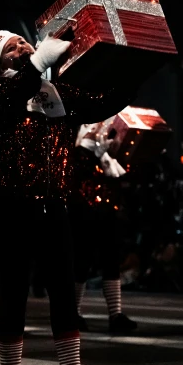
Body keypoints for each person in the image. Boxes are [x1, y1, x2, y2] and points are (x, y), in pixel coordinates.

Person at [0, 29, 135, 365]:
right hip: (10, 208)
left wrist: (132, 73)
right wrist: (38, 62)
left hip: (53, 203)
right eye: (12, 48)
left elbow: (99, 104)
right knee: (14, 290)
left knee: (63, 289)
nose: (23, 47)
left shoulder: (51, 90)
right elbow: (9, 103)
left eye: (23, 42)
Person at [68, 121, 138, 333]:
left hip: (107, 213)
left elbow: (122, 180)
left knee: (111, 261)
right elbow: (76, 179)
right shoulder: (79, 153)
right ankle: (73, 313)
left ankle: (115, 314)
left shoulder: (109, 156)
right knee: (81, 263)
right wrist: (91, 153)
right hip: (83, 214)